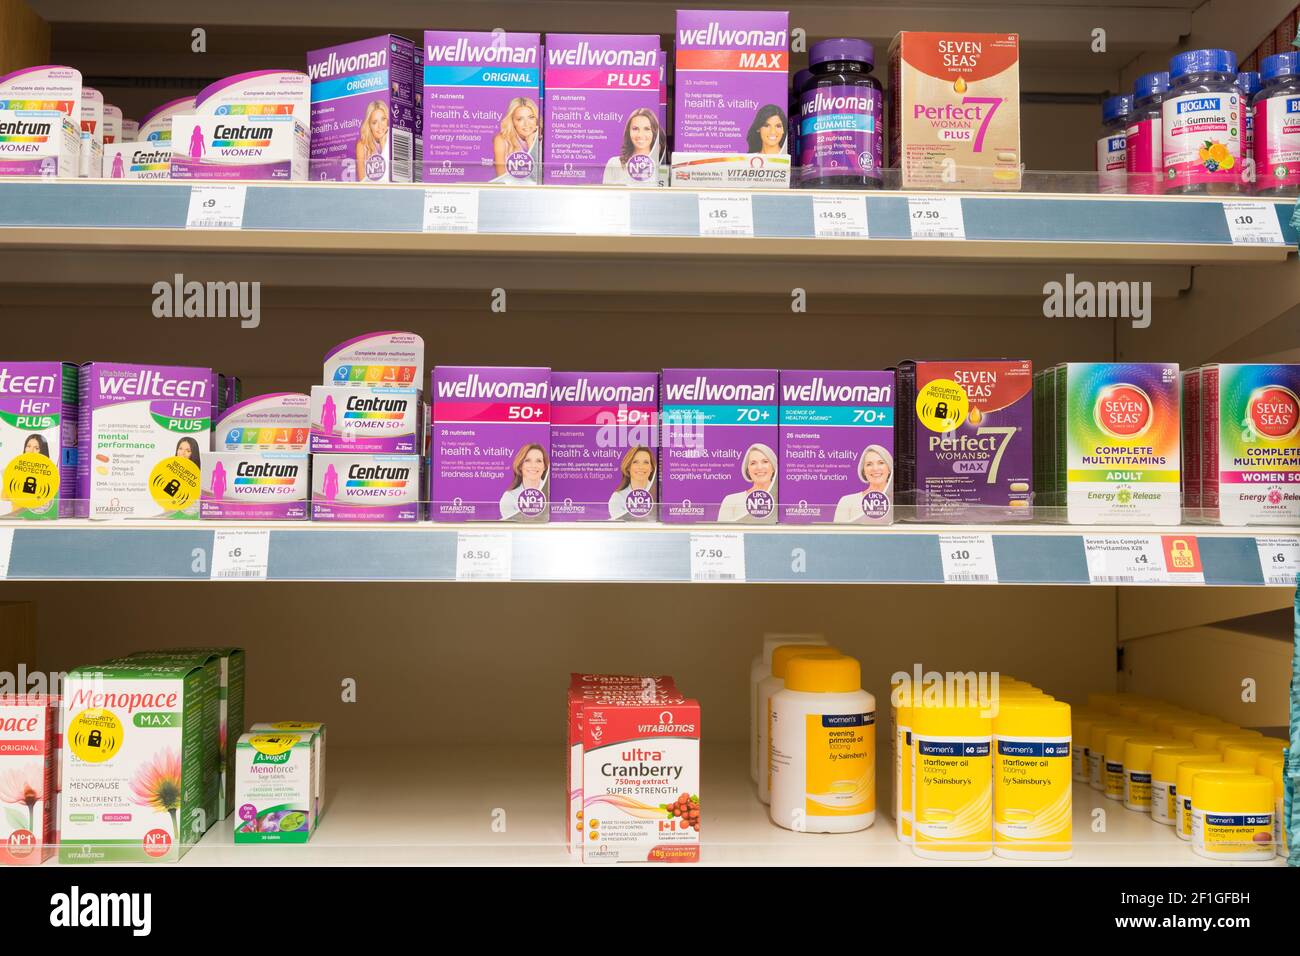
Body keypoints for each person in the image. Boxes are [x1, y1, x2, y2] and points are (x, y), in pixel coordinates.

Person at [602, 109, 665, 186]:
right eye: (635, 129)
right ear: (628, 132)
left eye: (647, 129)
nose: (640, 135)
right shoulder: (615, 163)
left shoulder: (661, 166)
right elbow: (607, 196)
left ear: (654, 132)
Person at [834, 444, 894, 524]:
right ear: (864, 471)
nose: (875, 468)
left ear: (889, 468)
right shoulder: (847, 502)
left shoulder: (900, 501)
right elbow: (838, 535)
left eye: (881, 463)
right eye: (869, 464)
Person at [717, 442, 777, 522]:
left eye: (765, 461)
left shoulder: (781, 499)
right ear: (748, 470)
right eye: (753, 463)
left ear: (773, 467)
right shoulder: (731, 501)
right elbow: (722, 532)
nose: (759, 467)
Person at [493, 97, 541, 182]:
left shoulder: (543, 138)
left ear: (536, 119)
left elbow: (539, 179)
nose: (527, 124)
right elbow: (502, 180)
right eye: (520, 119)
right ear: (512, 121)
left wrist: (531, 144)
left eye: (531, 117)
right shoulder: (501, 140)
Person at [500, 443, 549, 520]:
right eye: (527, 460)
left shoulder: (553, 494)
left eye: (538, 461)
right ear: (520, 466)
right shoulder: (509, 498)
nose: (533, 465)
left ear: (544, 466)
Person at [608, 446, 656, 520]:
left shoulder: (659, 494)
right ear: (628, 467)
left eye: (646, 462)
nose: (641, 467)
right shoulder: (617, 498)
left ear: (652, 468)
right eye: (635, 462)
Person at [355, 100, 389, 181]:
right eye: (374, 122)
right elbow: (362, 182)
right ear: (369, 125)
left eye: (383, 119)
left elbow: (393, 178)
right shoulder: (362, 145)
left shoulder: (394, 138)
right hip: (371, 192)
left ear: (387, 119)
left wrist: (383, 144)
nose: (380, 126)